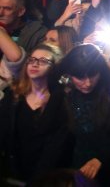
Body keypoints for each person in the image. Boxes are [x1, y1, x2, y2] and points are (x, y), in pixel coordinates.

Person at [56, 43, 110, 186]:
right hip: (79, 165)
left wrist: (101, 158)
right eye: (80, 77)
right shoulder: (68, 93)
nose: (87, 83)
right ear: (69, 74)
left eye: (93, 75)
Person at [0, 44, 69, 182]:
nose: (35, 64)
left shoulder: (62, 100)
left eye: (43, 61)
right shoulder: (13, 95)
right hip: (12, 171)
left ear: (54, 67)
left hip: (46, 175)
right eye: (31, 60)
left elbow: (57, 145)